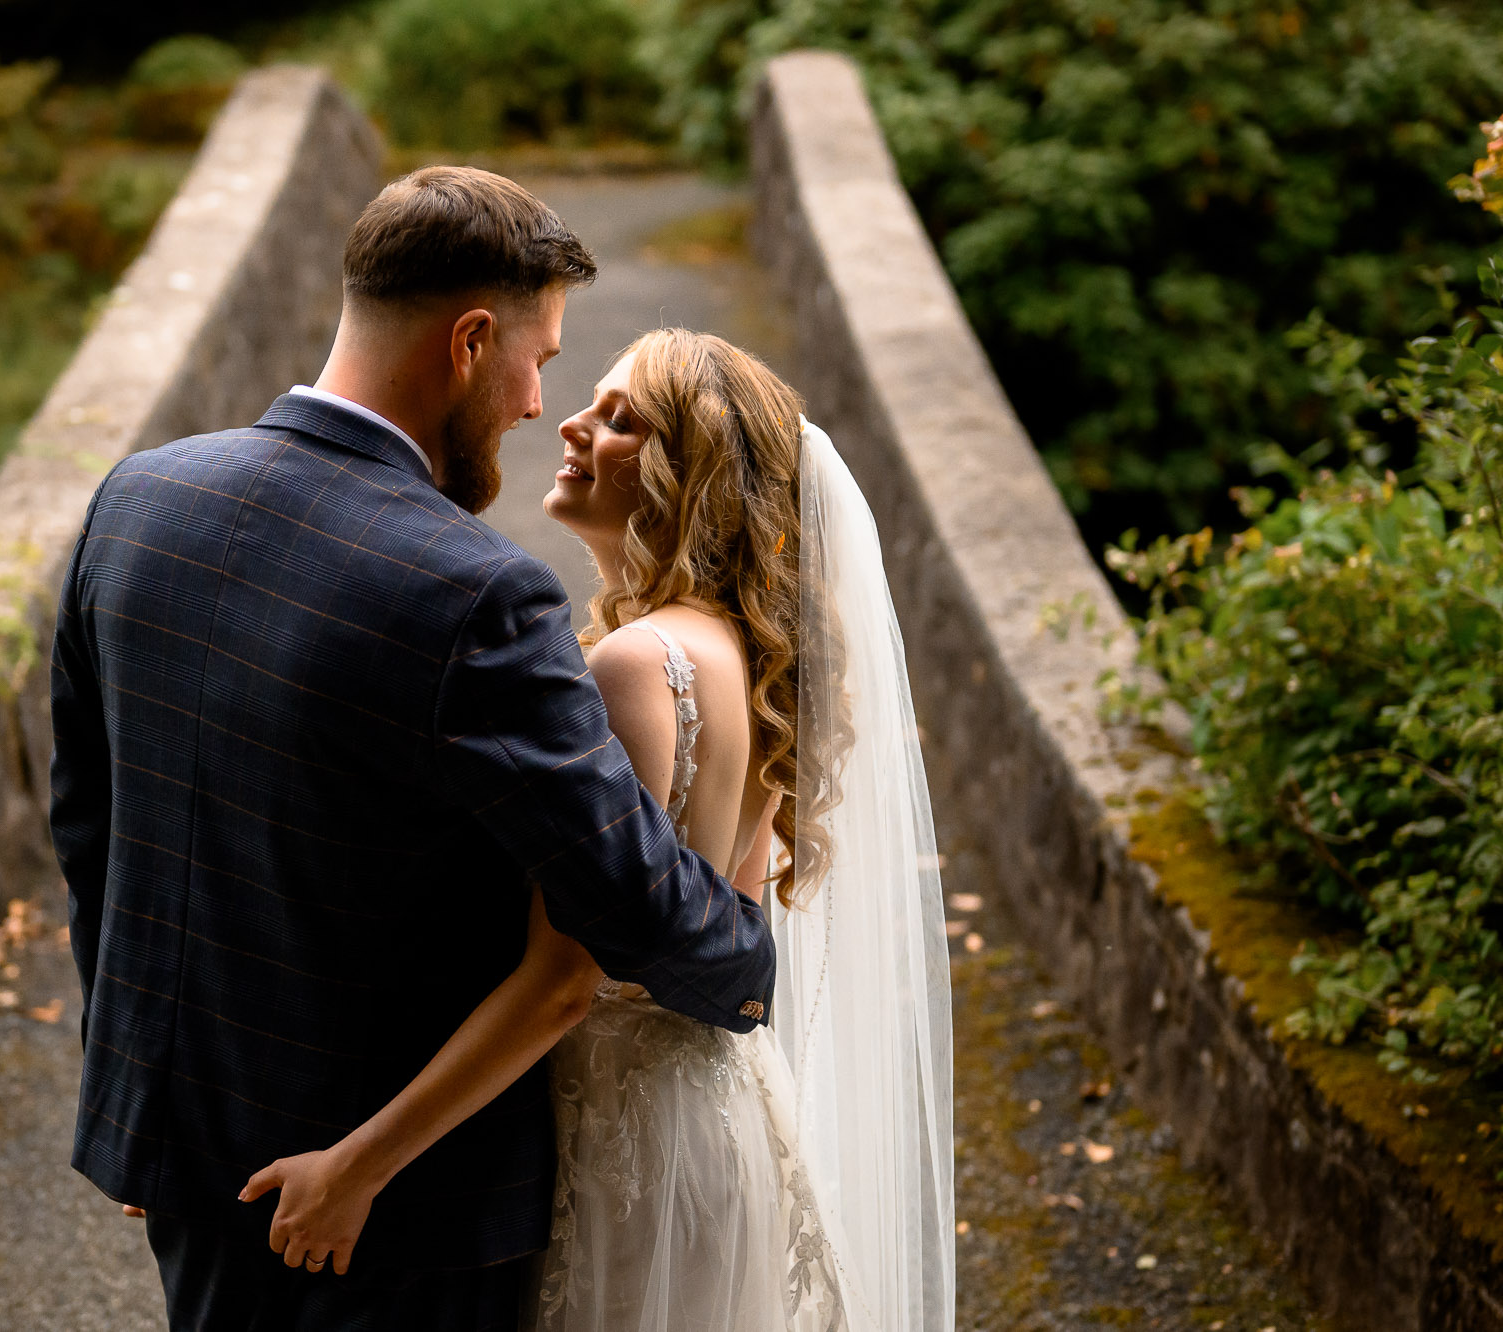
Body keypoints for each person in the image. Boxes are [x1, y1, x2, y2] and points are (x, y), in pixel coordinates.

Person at [48, 170, 776, 1332]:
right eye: (536, 359)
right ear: (470, 339)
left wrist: (138, 1095)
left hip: (189, 1150)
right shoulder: (474, 592)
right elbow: (624, 906)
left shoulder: (140, 501)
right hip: (390, 1212)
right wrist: (753, 956)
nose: (538, 406)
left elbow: (91, 827)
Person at [244, 330, 957, 1331]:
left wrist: (356, 1167)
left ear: (688, 476)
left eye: (622, 419)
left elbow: (561, 981)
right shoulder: (736, 652)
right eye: (592, 401)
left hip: (622, 1141)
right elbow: (726, 920)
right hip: (716, 1117)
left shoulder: (637, 665)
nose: (572, 425)